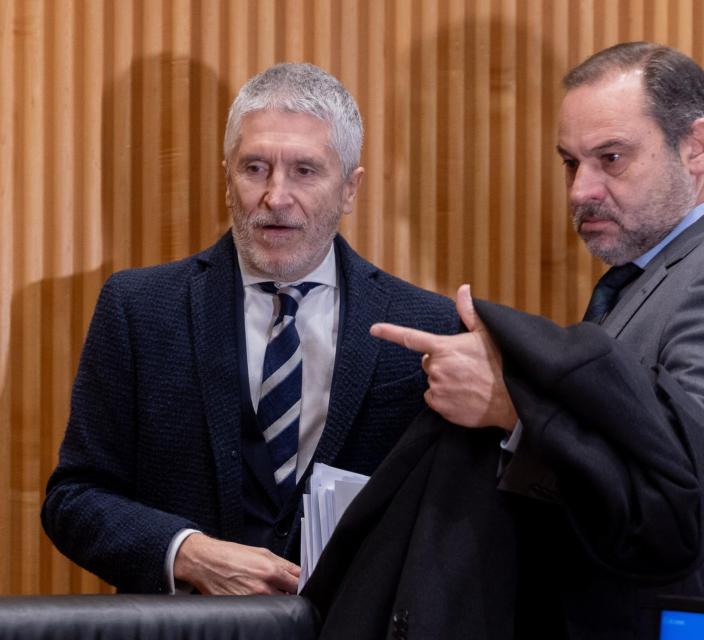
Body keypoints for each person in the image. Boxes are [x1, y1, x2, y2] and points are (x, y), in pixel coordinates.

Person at [371, 42, 704, 637]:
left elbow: (684, 499)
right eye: (570, 163)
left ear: (696, 147)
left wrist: (513, 411)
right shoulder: (643, 280)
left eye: (611, 158)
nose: (581, 190)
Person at [41, 62, 459, 595]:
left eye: (305, 171)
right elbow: (73, 498)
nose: (276, 197)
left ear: (350, 189)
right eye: (255, 168)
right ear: (227, 177)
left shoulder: (426, 326)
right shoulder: (138, 309)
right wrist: (186, 552)